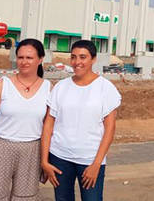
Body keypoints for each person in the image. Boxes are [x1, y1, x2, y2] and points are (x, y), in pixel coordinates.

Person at [41, 40, 121, 201]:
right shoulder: (61, 87)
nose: (77, 62)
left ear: (93, 59)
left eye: (83, 57)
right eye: (73, 57)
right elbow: (48, 125)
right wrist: (44, 161)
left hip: (90, 160)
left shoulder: (106, 88)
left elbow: (110, 129)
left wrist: (96, 164)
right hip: (60, 158)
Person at [0, 38, 50, 200]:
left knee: (25, 197)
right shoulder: (3, 85)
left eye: (29, 58)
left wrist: (45, 159)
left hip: (32, 150)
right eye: (20, 57)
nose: (24, 62)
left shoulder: (49, 88)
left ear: (41, 59)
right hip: (1, 148)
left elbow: (49, 128)